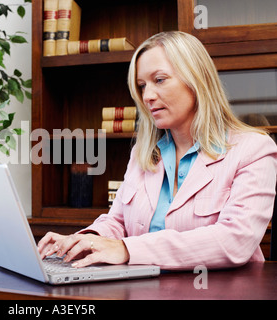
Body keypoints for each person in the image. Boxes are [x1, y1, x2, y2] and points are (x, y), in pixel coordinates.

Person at [37, 31, 277, 271]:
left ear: (196, 80)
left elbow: (235, 240)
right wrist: (85, 241)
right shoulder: (143, 154)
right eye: (142, 86)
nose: (148, 96)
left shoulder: (253, 149)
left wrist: (128, 249)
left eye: (160, 80)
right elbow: (118, 221)